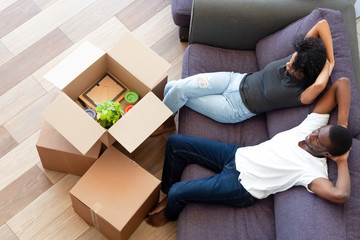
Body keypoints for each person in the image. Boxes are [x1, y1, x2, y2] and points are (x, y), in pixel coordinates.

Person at [146, 77, 352, 227]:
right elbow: (342, 83)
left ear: (327, 154)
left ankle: (170, 213)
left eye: (318, 140)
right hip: (238, 155)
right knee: (175, 143)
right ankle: (168, 189)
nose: (312, 136)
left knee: (178, 192)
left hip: (242, 186)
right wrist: (342, 124)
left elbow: (340, 194)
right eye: (317, 132)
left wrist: (342, 161)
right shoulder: (311, 128)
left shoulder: (313, 170)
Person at [152, 20, 334, 135]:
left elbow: (319, 85)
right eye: (291, 60)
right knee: (174, 87)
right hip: (233, 80)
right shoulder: (298, 59)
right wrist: (330, 57)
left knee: (177, 90)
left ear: (305, 73)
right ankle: (167, 122)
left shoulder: (301, 93)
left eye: (293, 68)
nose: (287, 65)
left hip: (234, 108)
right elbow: (322, 25)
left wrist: (328, 65)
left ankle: (163, 123)